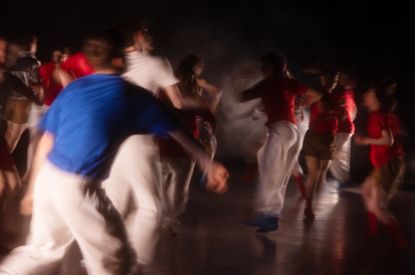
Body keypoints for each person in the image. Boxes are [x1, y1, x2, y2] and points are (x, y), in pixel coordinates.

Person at [1, 29, 228, 275]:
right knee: (117, 262)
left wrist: (32, 190)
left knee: (40, 251)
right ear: (120, 59)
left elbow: (47, 140)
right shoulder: (133, 95)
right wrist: (208, 163)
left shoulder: (75, 89)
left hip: (49, 181)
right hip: (78, 188)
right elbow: (178, 131)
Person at [101, 20, 205, 264]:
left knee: (114, 201)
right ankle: (131, 260)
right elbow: (178, 102)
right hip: (138, 140)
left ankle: (104, 254)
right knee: (150, 208)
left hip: (109, 138)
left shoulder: (112, 61)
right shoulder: (155, 63)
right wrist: (201, 103)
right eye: (147, 34)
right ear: (137, 36)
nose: (151, 38)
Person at [241, 52, 321, 232]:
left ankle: (266, 215)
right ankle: (271, 216)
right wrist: (302, 104)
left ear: (275, 68)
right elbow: (315, 95)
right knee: (272, 167)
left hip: (281, 130)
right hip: (292, 131)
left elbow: (243, 96)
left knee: (271, 171)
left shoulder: (270, 83)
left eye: (265, 67)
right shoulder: (289, 83)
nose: (262, 70)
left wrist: (237, 81)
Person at [354, 80, 406, 248]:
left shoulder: (377, 116)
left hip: (387, 164)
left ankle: (399, 241)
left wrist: (364, 140)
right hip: (387, 163)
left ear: (376, 99)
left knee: (377, 207)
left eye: (369, 94)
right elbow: (397, 134)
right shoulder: (386, 115)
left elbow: (388, 140)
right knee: (365, 190)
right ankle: (373, 230)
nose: (365, 96)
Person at [301, 67, 340, 219]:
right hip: (316, 137)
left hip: (329, 138)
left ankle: (312, 205)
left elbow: (339, 115)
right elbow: (323, 109)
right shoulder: (318, 93)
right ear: (323, 79)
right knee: (314, 174)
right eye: (330, 79)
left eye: (335, 81)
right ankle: (309, 207)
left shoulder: (333, 96)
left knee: (321, 174)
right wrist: (337, 110)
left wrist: (338, 111)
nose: (333, 83)